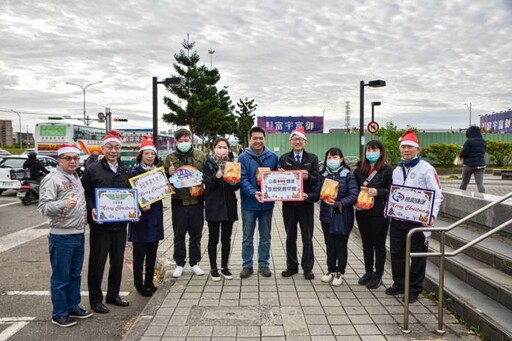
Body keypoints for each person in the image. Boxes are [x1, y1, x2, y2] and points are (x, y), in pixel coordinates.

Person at [386, 130, 444, 303]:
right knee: (397, 252)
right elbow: (395, 193)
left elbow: (437, 194)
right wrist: (389, 208)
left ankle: (414, 289)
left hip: (418, 221)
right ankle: (399, 283)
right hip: (398, 219)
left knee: (417, 255)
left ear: (417, 149)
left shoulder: (426, 168)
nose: (406, 150)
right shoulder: (397, 169)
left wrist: (430, 217)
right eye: (403, 147)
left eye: (410, 147)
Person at [38, 144, 93, 327]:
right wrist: (63, 204)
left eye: (75, 158)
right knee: (61, 277)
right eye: (68, 158)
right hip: (61, 236)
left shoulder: (76, 177)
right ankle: (59, 313)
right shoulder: (52, 179)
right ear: (59, 160)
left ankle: (73, 306)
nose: (72, 161)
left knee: (75, 274)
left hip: (78, 233)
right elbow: (44, 208)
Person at [81, 130, 131, 314]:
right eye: (110, 147)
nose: (113, 150)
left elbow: (133, 194)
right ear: (103, 149)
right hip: (100, 226)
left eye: (117, 147)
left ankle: (113, 295)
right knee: (97, 262)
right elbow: (85, 193)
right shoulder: (92, 169)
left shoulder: (125, 169)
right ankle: (95, 299)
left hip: (120, 225)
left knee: (117, 262)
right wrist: (91, 207)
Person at [307, 147, 358, 287]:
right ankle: (330, 270)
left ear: (341, 159)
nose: (332, 160)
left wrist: (337, 204)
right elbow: (317, 193)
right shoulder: (323, 175)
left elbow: (354, 196)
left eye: (335, 158)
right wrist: (306, 196)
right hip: (326, 217)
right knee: (329, 245)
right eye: (329, 157)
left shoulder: (348, 175)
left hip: (342, 216)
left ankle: (340, 272)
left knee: (341, 245)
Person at [164, 128, 206, 278]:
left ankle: (194, 263)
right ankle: (180, 263)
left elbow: (207, 174)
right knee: (179, 234)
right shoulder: (170, 158)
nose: (184, 143)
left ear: (191, 140)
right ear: (175, 142)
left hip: (197, 201)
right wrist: (170, 174)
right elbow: (164, 182)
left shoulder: (200, 155)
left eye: (186, 140)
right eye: (180, 141)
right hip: (178, 202)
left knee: (196, 234)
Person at [278, 127, 319, 280]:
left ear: (305, 141)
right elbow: (276, 180)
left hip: (305, 204)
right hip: (288, 204)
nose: (297, 142)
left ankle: (307, 268)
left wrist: (308, 177)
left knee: (307, 237)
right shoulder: (283, 158)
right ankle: (292, 266)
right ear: (290, 142)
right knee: (290, 236)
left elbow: (317, 180)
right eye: (294, 139)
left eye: (300, 139)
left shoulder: (312, 158)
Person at [238, 126, 278, 278]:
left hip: (267, 204)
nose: (258, 141)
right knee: (247, 236)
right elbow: (242, 178)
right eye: (255, 138)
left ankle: (264, 264)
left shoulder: (273, 157)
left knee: (266, 236)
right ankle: (247, 265)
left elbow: (277, 177)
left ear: (264, 139)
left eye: (261, 138)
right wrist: (253, 192)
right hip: (249, 204)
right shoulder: (243, 157)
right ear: (250, 139)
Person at [354, 140, 393, 290]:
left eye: (375, 150)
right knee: (366, 244)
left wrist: (378, 192)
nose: (371, 153)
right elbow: (353, 188)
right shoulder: (359, 169)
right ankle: (368, 272)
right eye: (369, 150)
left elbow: (393, 191)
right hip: (362, 211)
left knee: (379, 244)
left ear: (381, 152)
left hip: (379, 212)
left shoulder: (387, 170)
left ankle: (379, 274)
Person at [128, 136, 164, 297]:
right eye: (146, 154)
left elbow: (163, 191)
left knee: (152, 253)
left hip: (155, 217)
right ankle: (139, 284)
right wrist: (139, 204)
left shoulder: (158, 172)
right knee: (138, 255)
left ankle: (149, 281)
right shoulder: (134, 172)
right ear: (141, 155)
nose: (150, 156)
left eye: (152, 154)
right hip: (140, 219)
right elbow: (127, 196)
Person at [203, 137, 240, 281]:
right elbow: (207, 184)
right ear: (214, 148)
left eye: (225, 147)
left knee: (226, 239)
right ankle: (213, 268)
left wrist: (235, 182)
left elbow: (236, 187)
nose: (222, 150)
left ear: (228, 149)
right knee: (213, 239)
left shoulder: (233, 164)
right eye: (219, 147)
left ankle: (225, 266)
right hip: (213, 206)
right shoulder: (207, 164)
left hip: (229, 206)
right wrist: (216, 176)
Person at [459, 126, 486, 193]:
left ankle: (460, 197)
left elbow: (464, 153)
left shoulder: (469, 141)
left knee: (464, 183)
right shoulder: (483, 141)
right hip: (480, 165)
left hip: (469, 165)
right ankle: (483, 198)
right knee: (480, 183)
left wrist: (460, 154)